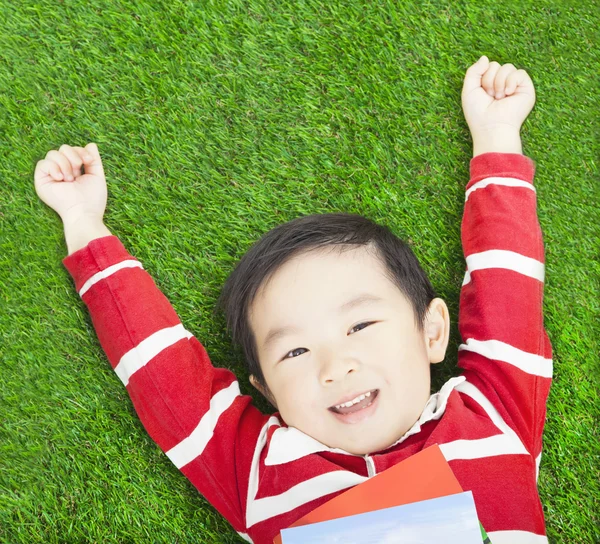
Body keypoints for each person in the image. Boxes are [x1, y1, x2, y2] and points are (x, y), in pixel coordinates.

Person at [34, 56, 552, 544]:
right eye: (295, 352)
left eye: (361, 326)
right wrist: (84, 224)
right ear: (266, 389)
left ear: (432, 331)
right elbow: (163, 373)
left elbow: (509, 288)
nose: (335, 365)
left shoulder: (493, 413)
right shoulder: (259, 469)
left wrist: (497, 136)